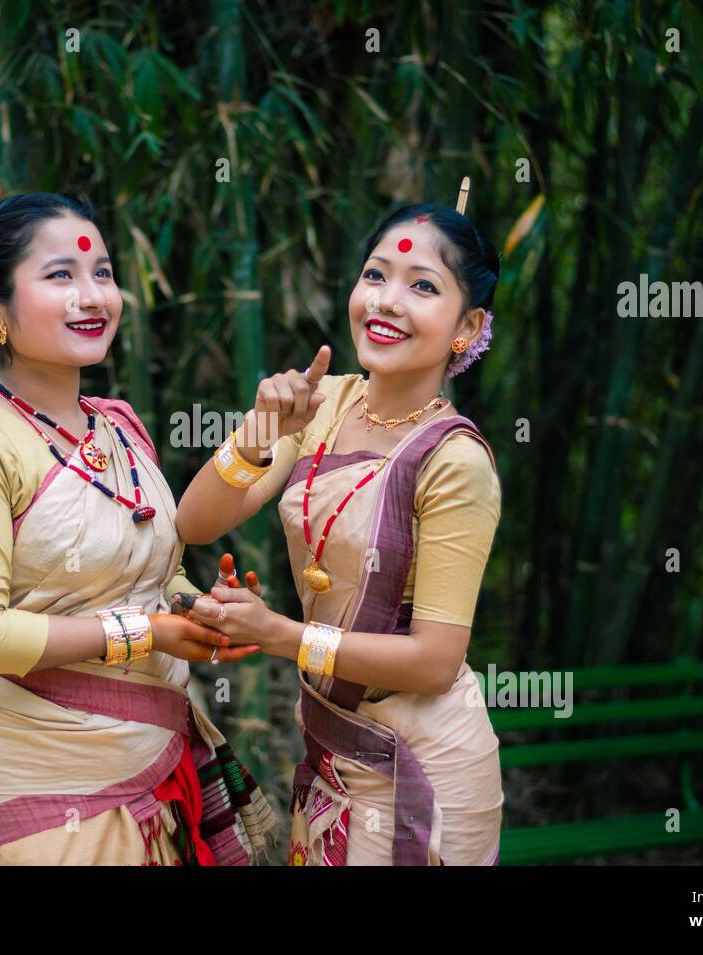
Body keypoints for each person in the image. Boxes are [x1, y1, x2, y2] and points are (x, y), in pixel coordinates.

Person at [0, 192, 275, 864]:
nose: (91, 295)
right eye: (60, 276)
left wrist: (196, 609)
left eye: (102, 273)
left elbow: (150, 577)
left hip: (154, 771)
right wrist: (144, 634)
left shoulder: (121, 426)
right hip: (39, 787)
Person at [175, 201, 503, 865]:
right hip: (330, 753)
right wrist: (262, 430)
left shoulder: (455, 462)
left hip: (421, 767)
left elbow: (435, 662)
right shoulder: (325, 404)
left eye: (423, 286)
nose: (386, 301)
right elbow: (195, 521)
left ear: (468, 327)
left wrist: (281, 635)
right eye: (376, 275)